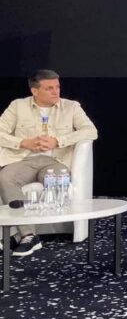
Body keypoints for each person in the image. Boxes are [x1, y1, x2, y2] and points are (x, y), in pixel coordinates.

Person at [0, 69, 98, 256]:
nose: (56, 92)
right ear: (34, 91)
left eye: (57, 87)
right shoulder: (18, 106)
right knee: (5, 177)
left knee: (57, 179)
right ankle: (29, 235)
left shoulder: (71, 107)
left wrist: (58, 141)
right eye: (49, 88)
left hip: (56, 161)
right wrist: (22, 142)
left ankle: (25, 234)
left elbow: (90, 131)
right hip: (25, 159)